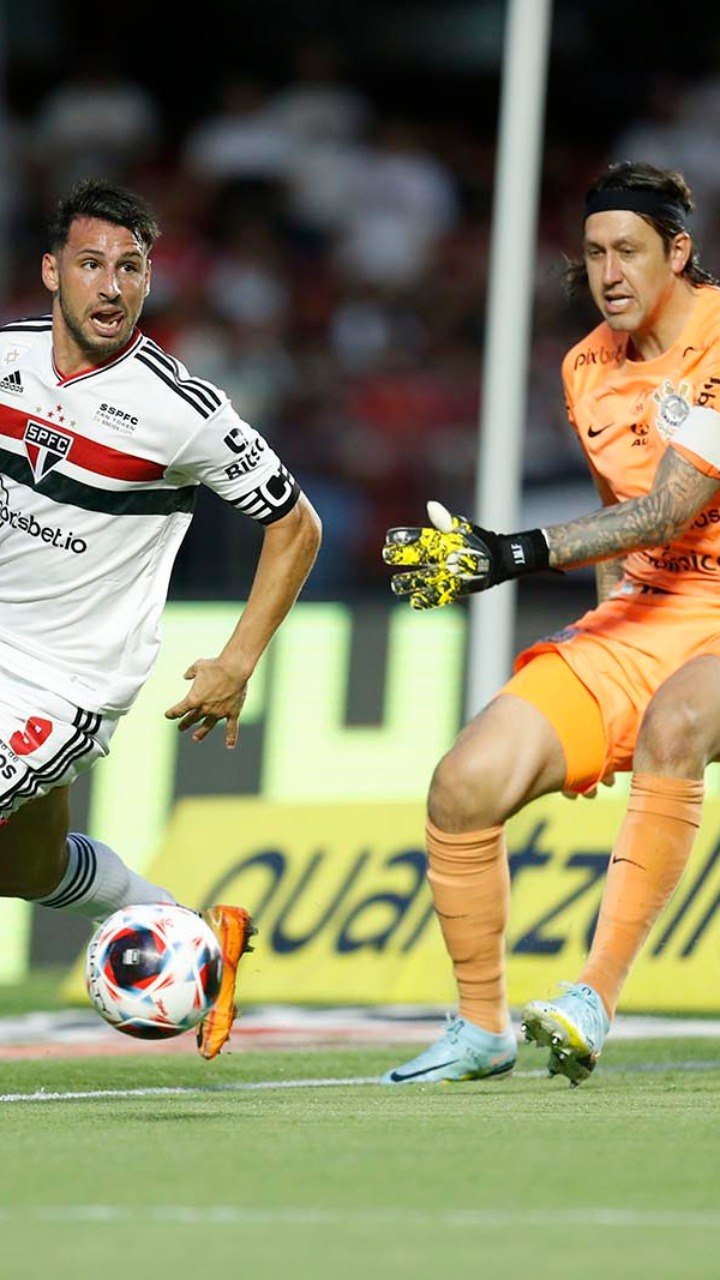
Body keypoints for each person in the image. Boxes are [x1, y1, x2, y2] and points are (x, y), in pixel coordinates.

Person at [381, 160, 720, 1085]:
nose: (609, 272)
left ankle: (593, 998)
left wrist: (509, 552)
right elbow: (622, 523)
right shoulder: (586, 369)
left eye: (630, 252)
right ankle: (481, 1025)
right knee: (464, 784)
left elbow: (669, 510)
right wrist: (597, 638)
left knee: (677, 724)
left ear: (679, 253)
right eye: (594, 253)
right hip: (648, 614)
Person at [0, 178, 321, 1059]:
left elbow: (297, 525)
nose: (111, 286)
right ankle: (195, 932)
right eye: (92, 264)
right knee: (24, 867)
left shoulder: (181, 411)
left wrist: (237, 661)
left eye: (131, 269)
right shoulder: (5, 358)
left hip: (63, 680)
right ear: (51, 272)